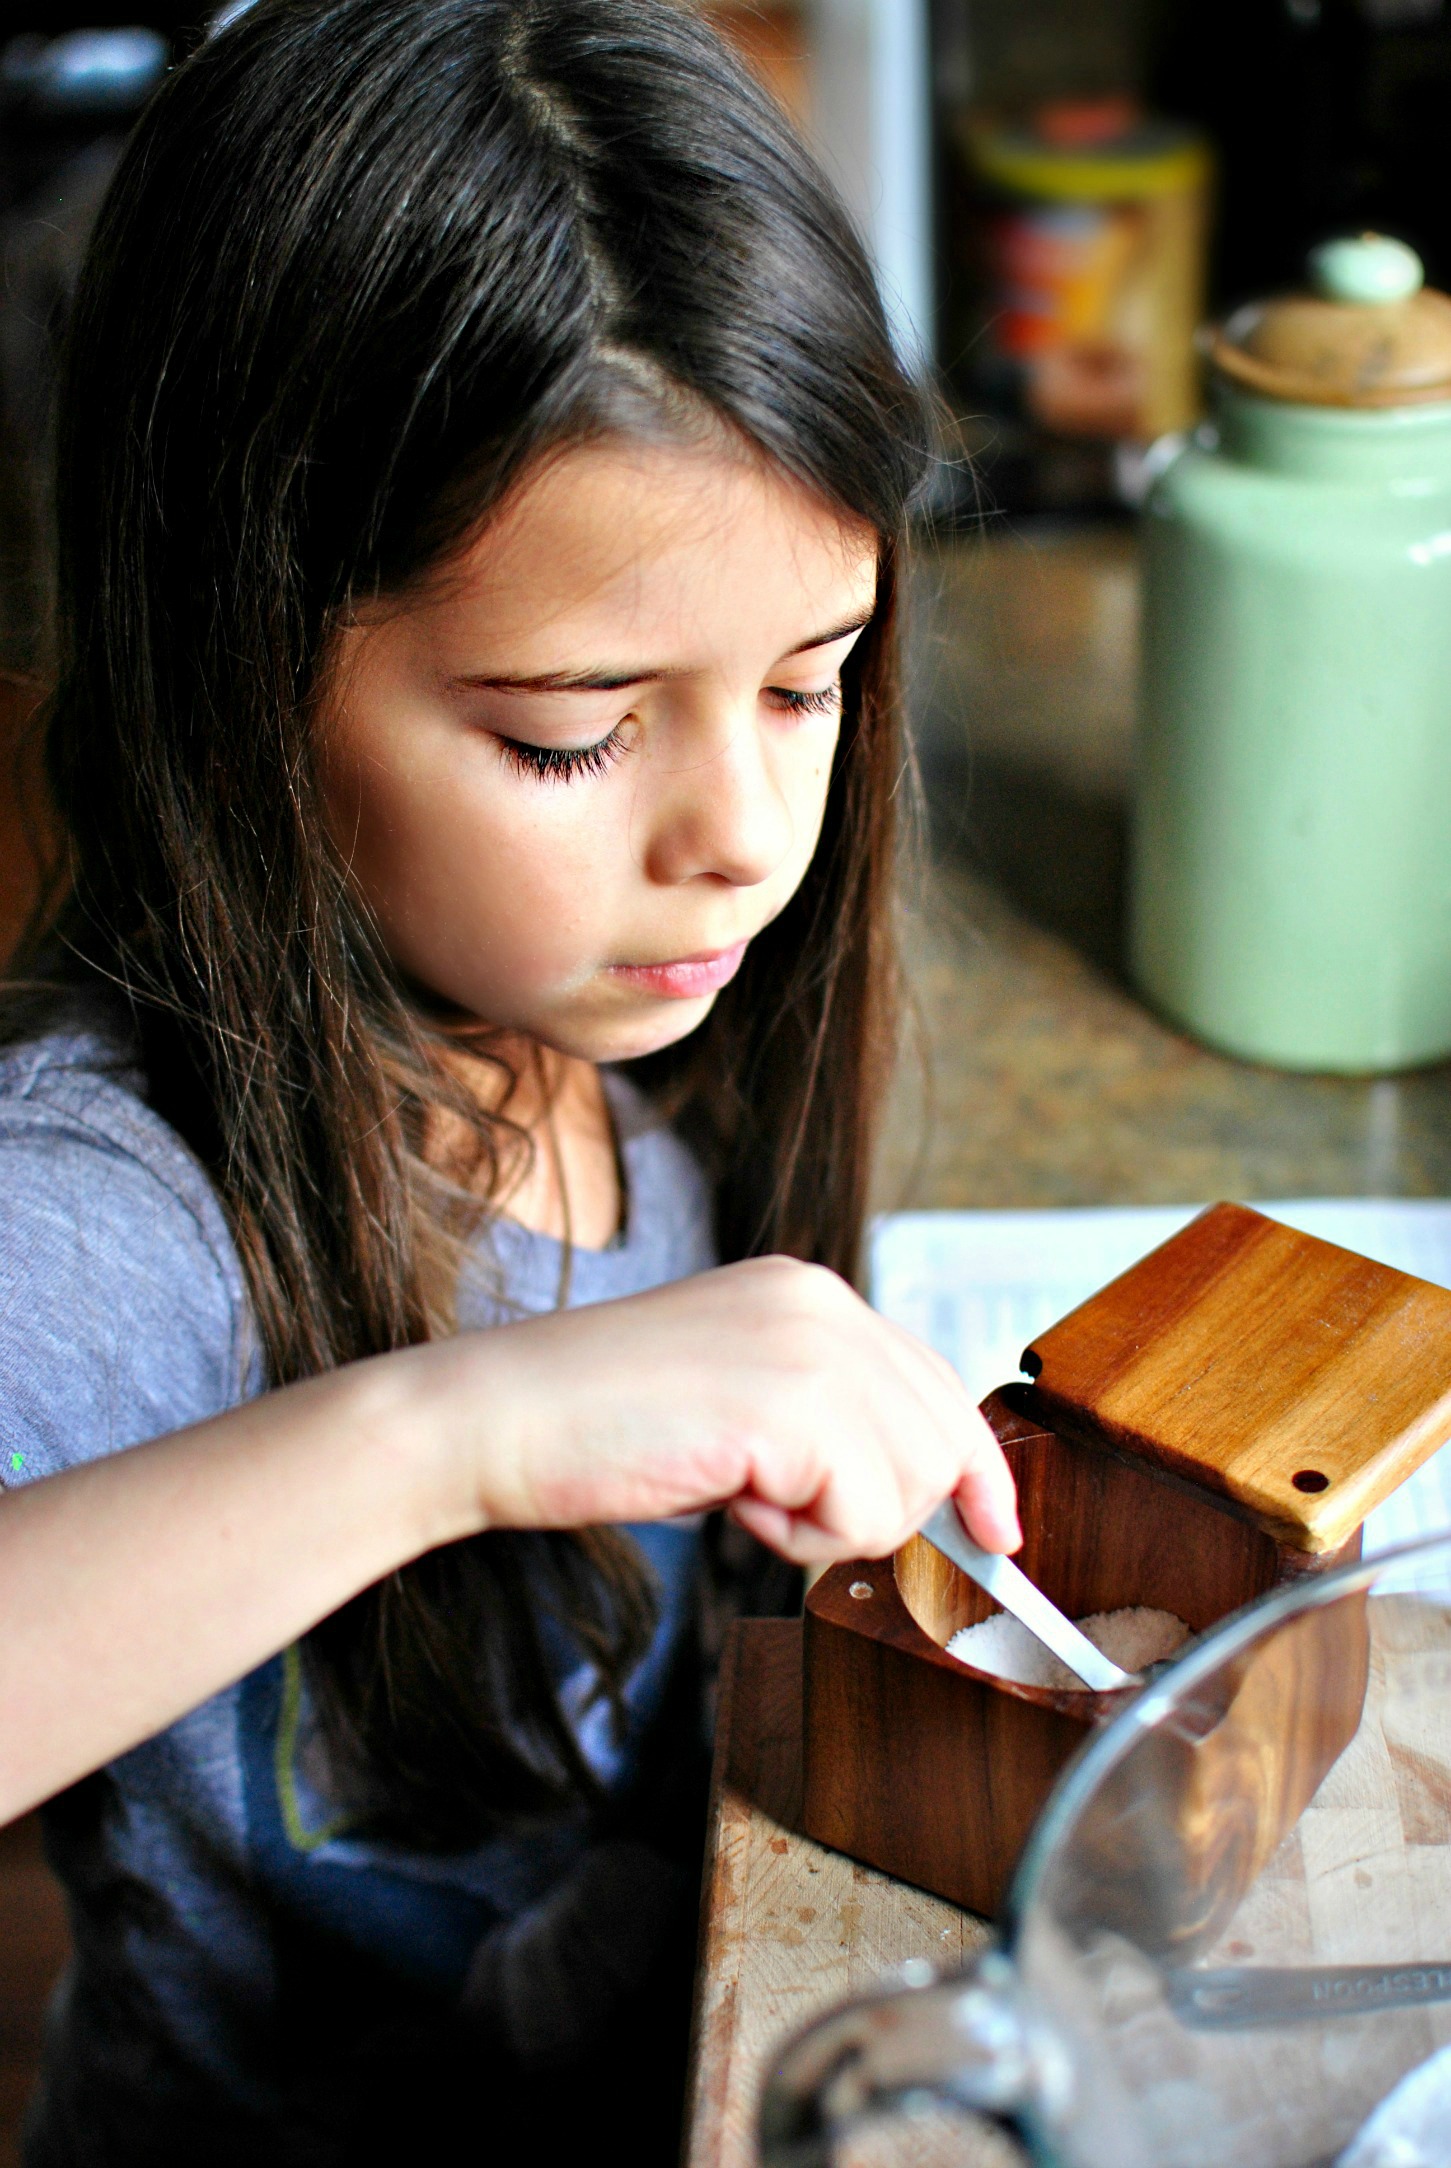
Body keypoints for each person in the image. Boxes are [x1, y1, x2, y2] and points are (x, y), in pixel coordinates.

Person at [0, 2, 1022, 2160]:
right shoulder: (107, 1208)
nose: (744, 833)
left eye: (812, 684)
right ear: (242, 665)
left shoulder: (632, 1028)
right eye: (574, 734)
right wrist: (458, 1432)